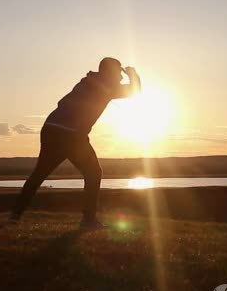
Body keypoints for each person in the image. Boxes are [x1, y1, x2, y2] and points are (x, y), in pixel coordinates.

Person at [9, 57, 141, 228]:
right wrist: (133, 74)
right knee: (93, 172)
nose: (121, 77)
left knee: (40, 173)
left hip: (51, 128)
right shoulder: (107, 85)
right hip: (71, 134)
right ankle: (88, 220)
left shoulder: (87, 82)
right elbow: (135, 91)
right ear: (110, 72)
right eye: (119, 73)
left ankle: (15, 215)